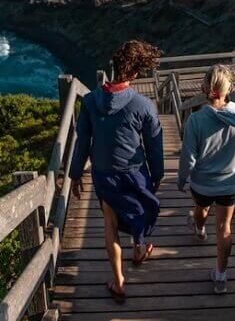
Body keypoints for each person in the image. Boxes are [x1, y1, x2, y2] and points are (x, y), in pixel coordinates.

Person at [69, 40, 164, 304]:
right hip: (134, 171)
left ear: (113, 67)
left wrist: (75, 173)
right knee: (140, 209)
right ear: (135, 73)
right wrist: (157, 174)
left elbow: (82, 140)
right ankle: (138, 249)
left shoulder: (89, 101)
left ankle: (119, 281)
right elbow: (154, 144)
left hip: (103, 172)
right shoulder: (143, 105)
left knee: (109, 225)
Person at [177, 64, 235, 294]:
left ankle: (200, 231)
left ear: (204, 88)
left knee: (201, 207)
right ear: (229, 88)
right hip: (230, 182)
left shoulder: (195, 120)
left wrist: (182, 179)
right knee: (225, 228)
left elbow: (189, 158)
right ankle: (221, 276)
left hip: (202, 182)